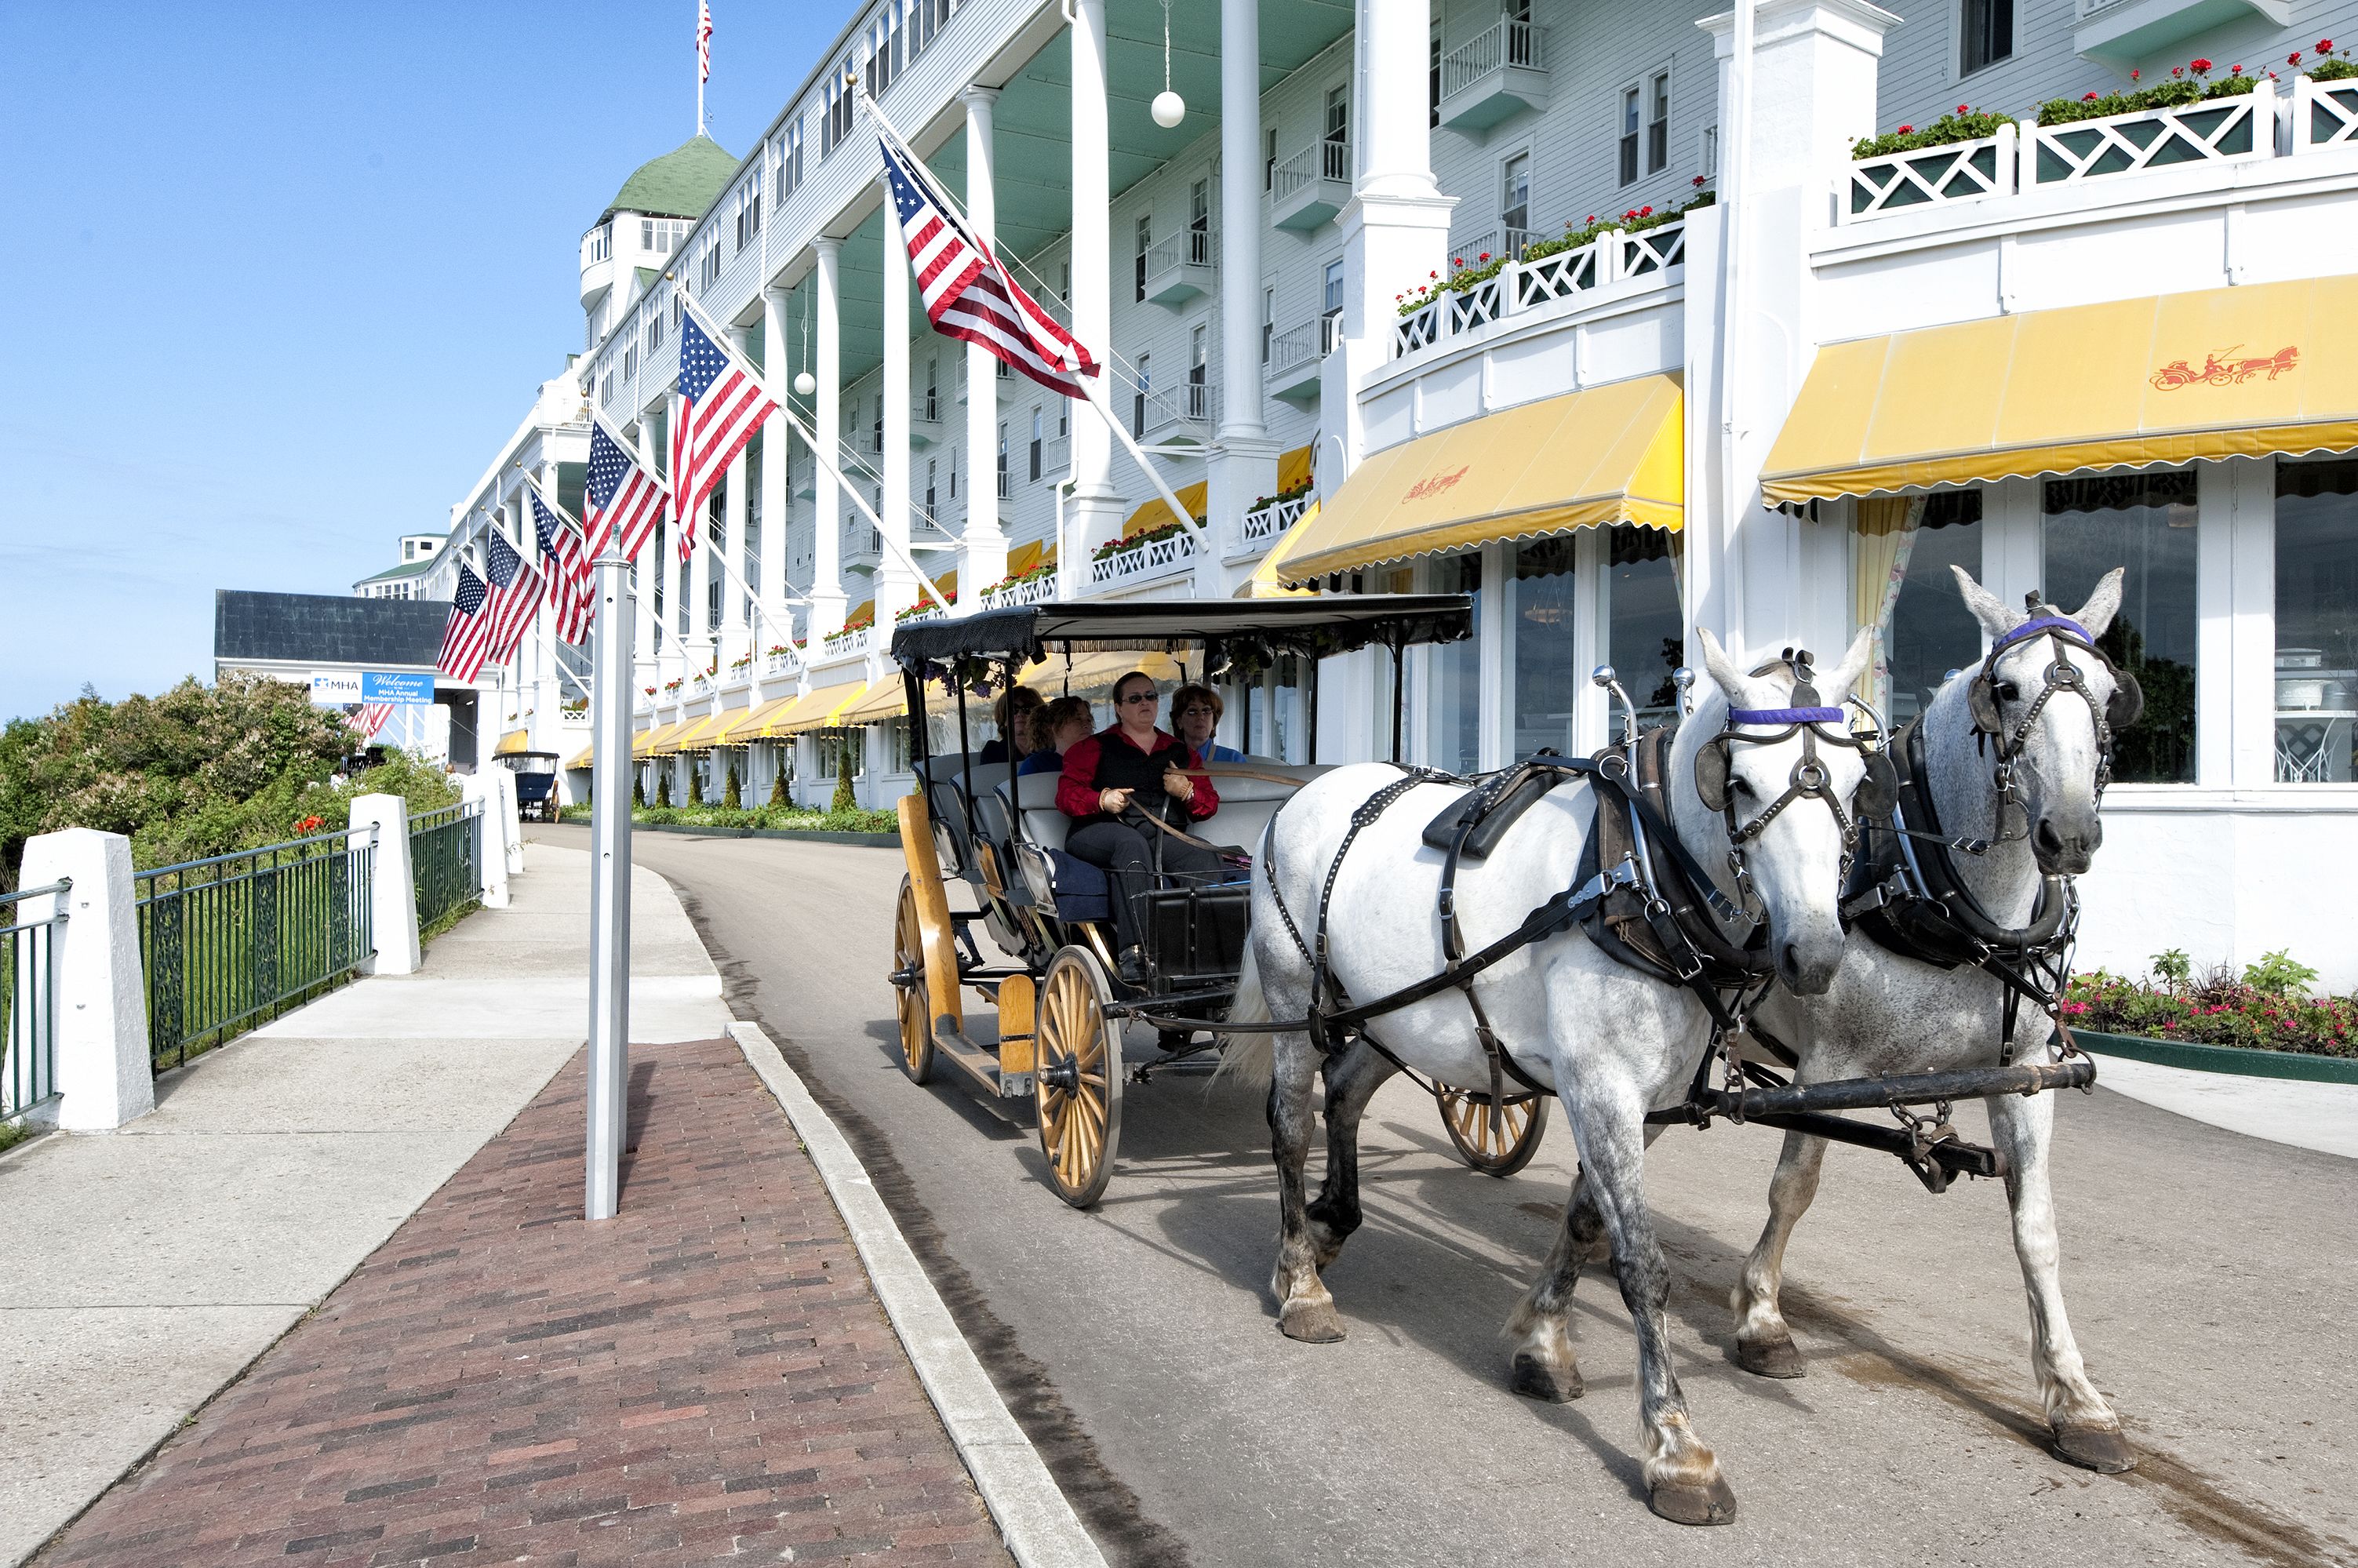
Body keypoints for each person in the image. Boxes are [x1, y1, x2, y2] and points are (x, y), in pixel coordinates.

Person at [1057, 671, 1223, 984]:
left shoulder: (1179, 751)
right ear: (1119, 708)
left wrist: (1186, 791)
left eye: (1150, 696)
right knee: (1130, 845)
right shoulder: (1093, 747)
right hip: (1098, 829)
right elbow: (1066, 795)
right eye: (1135, 698)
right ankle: (1136, 951)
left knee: (1201, 856)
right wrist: (1102, 799)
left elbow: (1208, 805)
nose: (1145, 703)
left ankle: (1205, 953)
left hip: (1157, 834)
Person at [1169, 683, 1246, 765]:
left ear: (1214, 721)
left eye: (1206, 711)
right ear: (1179, 721)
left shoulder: (1234, 759)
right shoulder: (1167, 758)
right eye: (1192, 711)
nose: (1200, 717)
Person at [1019, 696, 1094, 777]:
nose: (1086, 725)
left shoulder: (1100, 760)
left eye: (1088, 720)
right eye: (1077, 719)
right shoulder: (1036, 765)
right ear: (1056, 728)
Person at [976, 684, 1043, 766]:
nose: (1020, 714)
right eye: (1013, 710)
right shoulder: (994, 752)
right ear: (1004, 719)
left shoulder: (1053, 748)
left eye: (1027, 709)